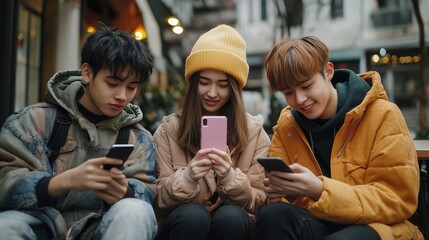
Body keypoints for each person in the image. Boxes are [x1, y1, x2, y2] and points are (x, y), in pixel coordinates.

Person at [255, 36, 424, 240]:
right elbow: (283, 203)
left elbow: (397, 199)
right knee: (272, 216)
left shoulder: (383, 115)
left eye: (307, 86)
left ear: (328, 71)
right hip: (318, 224)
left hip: (378, 228)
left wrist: (319, 190)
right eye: (288, 92)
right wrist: (282, 194)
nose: (299, 99)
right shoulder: (287, 127)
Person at [0, 23, 157, 239]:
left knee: (135, 211)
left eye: (132, 87)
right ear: (87, 73)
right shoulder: (33, 121)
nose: (122, 95)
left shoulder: (138, 138)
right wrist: (61, 182)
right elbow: (4, 186)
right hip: (42, 227)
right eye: (112, 83)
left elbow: (148, 195)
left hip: (104, 229)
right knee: (6, 226)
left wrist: (126, 192)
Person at [154, 24, 271, 240]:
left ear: (234, 89)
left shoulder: (255, 133)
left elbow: (262, 202)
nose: (212, 93)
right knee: (192, 215)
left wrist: (230, 177)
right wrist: (187, 178)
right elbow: (156, 200)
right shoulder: (169, 131)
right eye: (205, 83)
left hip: (235, 227)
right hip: (183, 226)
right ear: (194, 83)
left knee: (231, 216)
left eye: (223, 85)